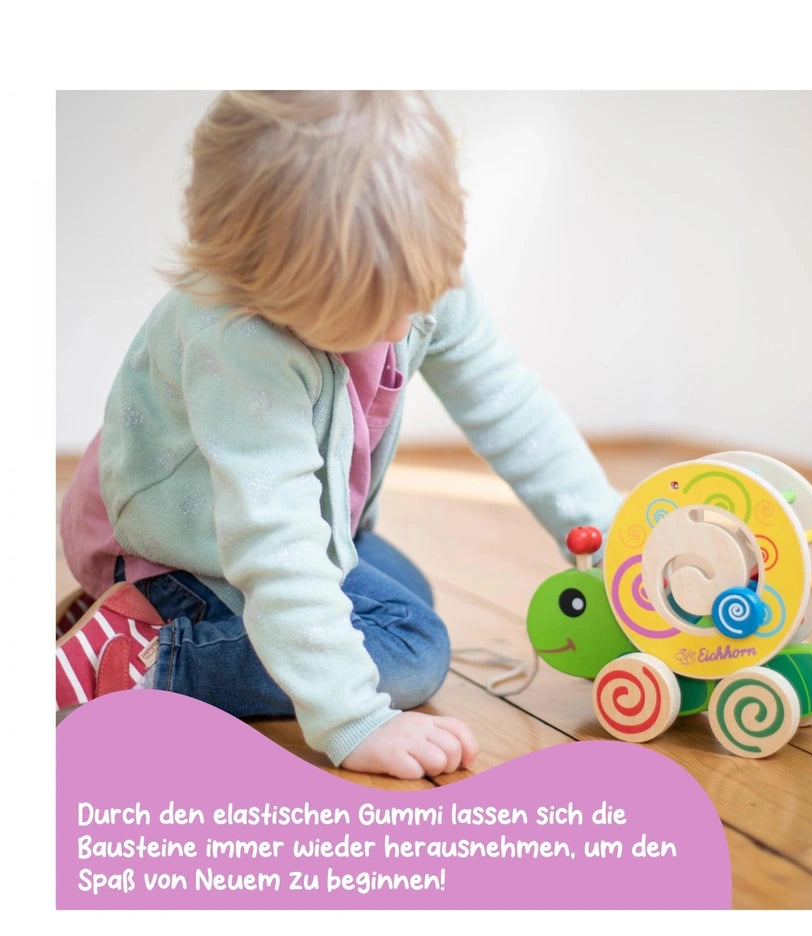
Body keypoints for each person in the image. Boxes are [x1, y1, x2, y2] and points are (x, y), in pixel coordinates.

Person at [56, 91, 622, 780]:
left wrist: (614, 542)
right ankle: (149, 654)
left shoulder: (416, 276)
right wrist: (354, 720)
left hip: (263, 526)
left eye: (410, 303)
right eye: (360, 316)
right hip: (180, 545)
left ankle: (146, 618)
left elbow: (509, 404)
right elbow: (277, 544)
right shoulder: (237, 340)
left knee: (408, 592)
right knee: (414, 647)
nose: (395, 330)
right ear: (257, 284)